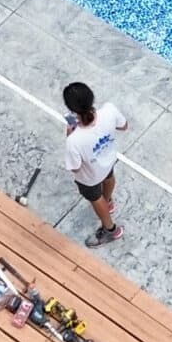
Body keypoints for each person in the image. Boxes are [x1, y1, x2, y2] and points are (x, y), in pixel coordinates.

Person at [61, 81, 131, 246]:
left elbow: (76, 167)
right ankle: (108, 202)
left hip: (90, 177)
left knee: (95, 198)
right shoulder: (110, 110)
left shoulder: (74, 140)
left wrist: (69, 134)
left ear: (72, 110)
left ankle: (110, 230)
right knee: (109, 177)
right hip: (108, 161)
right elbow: (124, 126)